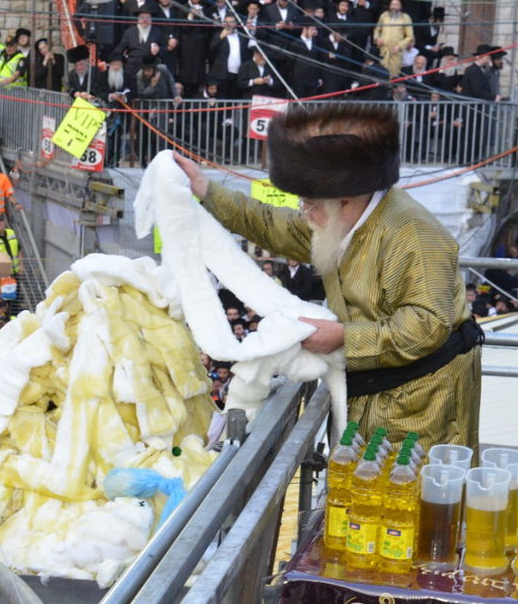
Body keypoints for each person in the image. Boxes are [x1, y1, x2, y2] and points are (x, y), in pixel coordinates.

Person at [172, 104, 482, 449]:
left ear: (345, 201)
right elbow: (272, 224)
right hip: (369, 386)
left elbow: (428, 324)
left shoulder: (413, 234)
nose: (306, 214)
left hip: (420, 401)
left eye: (311, 205)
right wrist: (205, 188)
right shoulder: (338, 220)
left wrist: (344, 337)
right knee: (358, 481)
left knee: (406, 491)